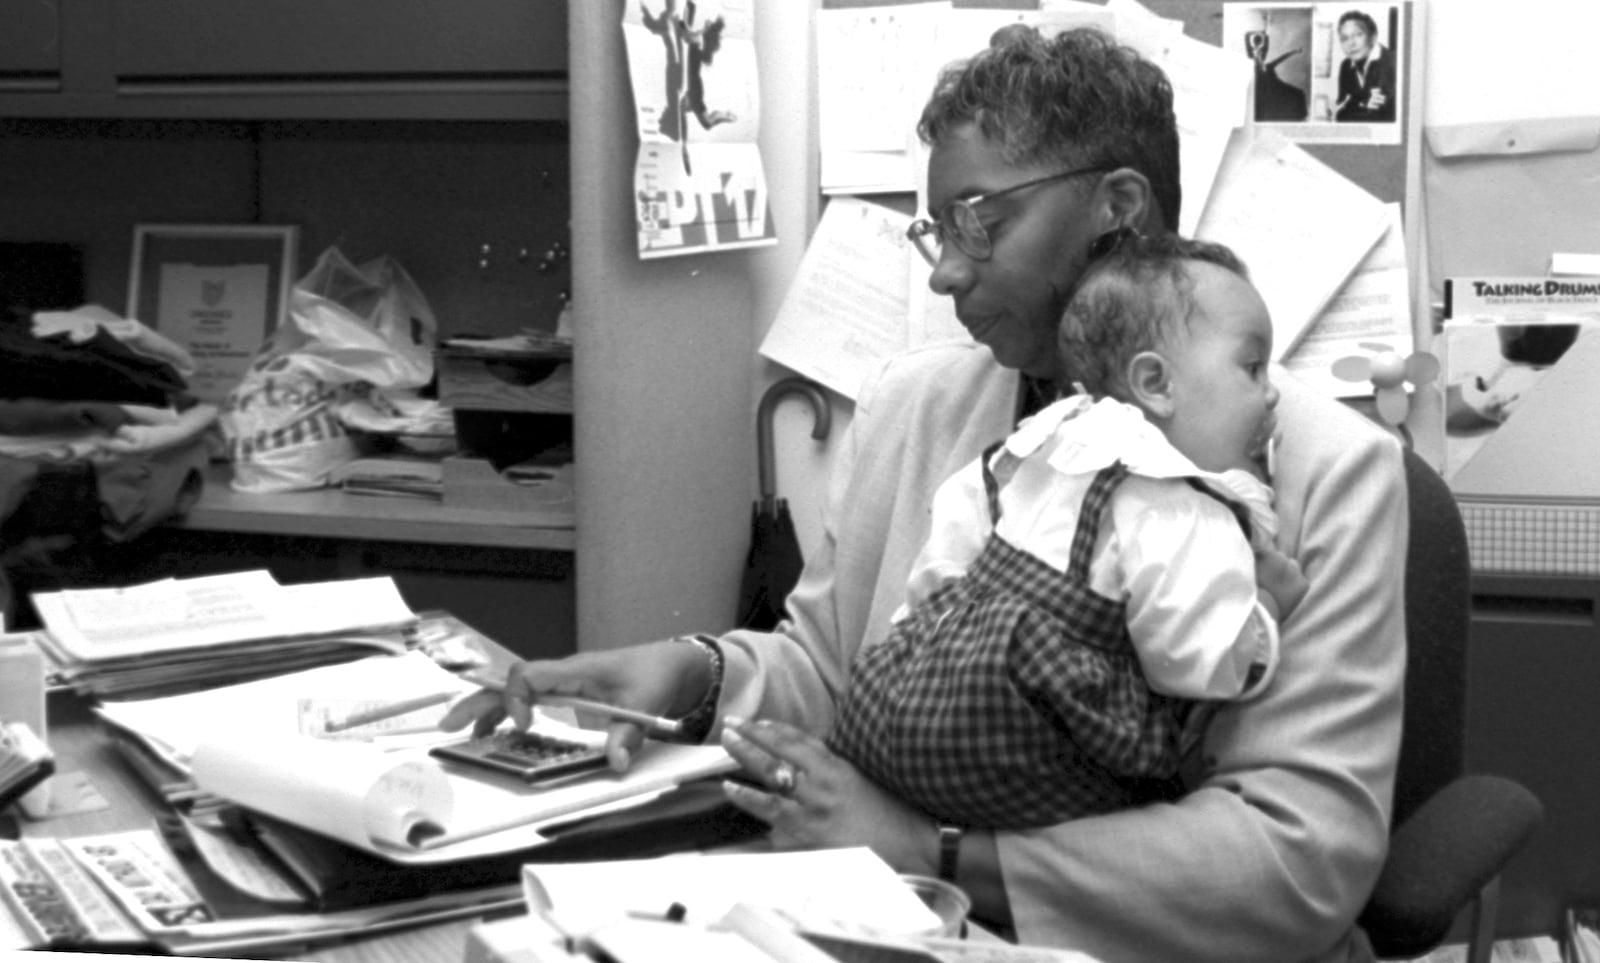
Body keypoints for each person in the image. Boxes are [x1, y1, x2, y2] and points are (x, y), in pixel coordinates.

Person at [443, 26, 1406, 963]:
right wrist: (693, 679)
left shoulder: (1330, 471)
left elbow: (1295, 861)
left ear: (1118, 204)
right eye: (936, 230)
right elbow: (830, 674)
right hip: (884, 917)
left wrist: (937, 852)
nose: (946, 271)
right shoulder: (919, 402)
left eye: (980, 222)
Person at [827, 233, 1308, 832]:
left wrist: (936, 635)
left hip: (901, 713)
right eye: (1253, 366)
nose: (1271, 393)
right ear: (1156, 385)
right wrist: (1265, 604)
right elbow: (1199, 661)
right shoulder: (1178, 506)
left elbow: (953, 525)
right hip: (1034, 766)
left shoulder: (1044, 442)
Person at [1335, 10, 1396, 123]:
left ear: (1373, 37)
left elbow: (1382, 118)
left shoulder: (1393, 62)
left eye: (1358, 35)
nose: (1351, 44)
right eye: (1344, 38)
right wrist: (1365, 106)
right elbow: (1340, 114)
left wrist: (1356, 106)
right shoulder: (1346, 66)